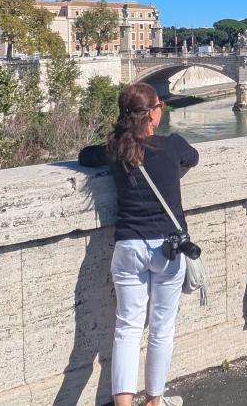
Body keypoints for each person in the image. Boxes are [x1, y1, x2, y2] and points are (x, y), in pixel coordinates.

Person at [78, 82, 198, 406]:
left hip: (128, 247)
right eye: (161, 106)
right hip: (167, 249)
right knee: (161, 329)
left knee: (127, 330)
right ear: (153, 113)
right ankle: (154, 401)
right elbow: (194, 157)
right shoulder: (171, 146)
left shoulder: (116, 150)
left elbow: (84, 156)